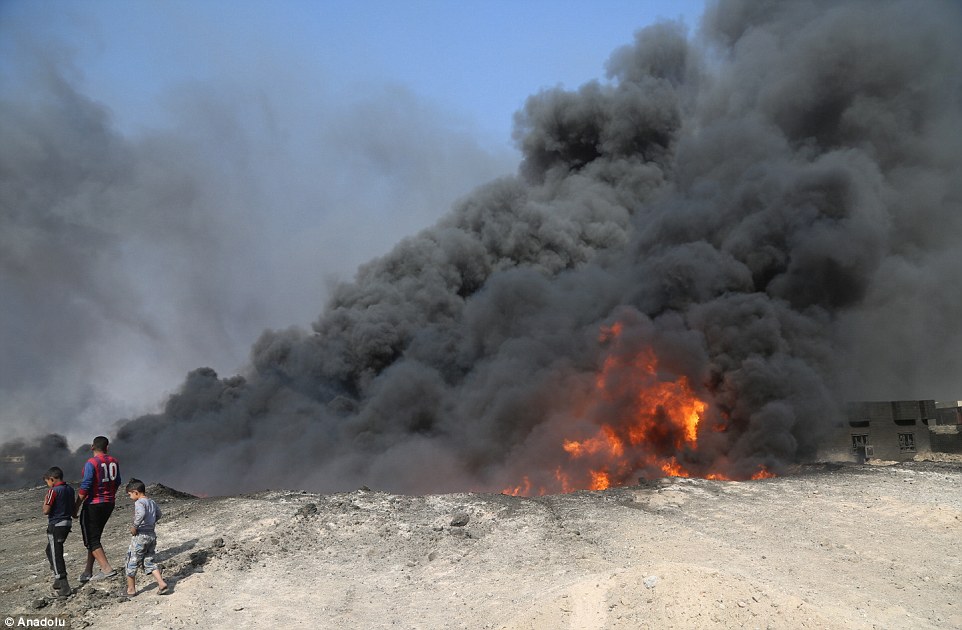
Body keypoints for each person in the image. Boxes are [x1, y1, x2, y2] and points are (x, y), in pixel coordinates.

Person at [73, 435, 120, 582]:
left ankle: (107, 569)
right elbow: (117, 482)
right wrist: (109, 495)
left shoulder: (91, 463)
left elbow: (85, 486)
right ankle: (88, 571)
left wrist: (76, 507)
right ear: (107, 448)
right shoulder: (114, 461)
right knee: (95, 537)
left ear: (92, 447)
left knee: (91, 539)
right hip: (109, 503)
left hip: (93, 504)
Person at [122, 478, 168, 596]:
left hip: (141, 535)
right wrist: (151, 522)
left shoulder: (139, 502)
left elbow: (141, 513)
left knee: (131, 561)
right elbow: (159, 514)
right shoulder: (152, 502)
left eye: (130, 494)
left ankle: (131, 590)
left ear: (136, 492)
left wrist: (135, 526)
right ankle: (161, 583)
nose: (130, 497)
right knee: (149, 560)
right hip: (151, 535)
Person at [42, 466, 75, 598]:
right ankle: (57, 579)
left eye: (47, 482)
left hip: (56, 525)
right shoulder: (70, 489)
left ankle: (64, 586)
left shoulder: (53, 491)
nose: (47, 485)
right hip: (67, 524)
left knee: (56, 554)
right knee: (50, 550)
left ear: (52, 479)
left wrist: (45, 501)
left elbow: (46, 510)